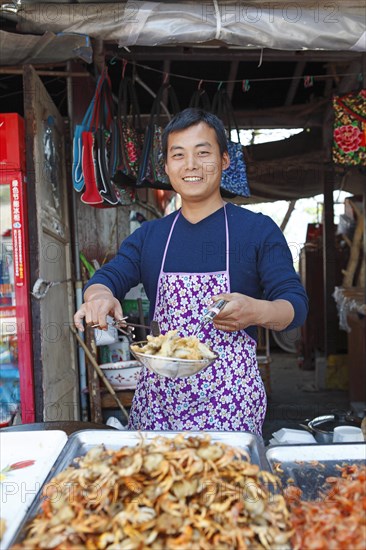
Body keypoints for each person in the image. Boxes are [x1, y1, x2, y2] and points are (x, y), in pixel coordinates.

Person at [74, 108, 308, 435]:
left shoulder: (257, 231)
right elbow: (107, 278)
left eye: (203, 153)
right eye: (179, 155)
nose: (191, 165)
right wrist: (98, 298)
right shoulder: (150, 236)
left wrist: (256, 310)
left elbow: (294, 306)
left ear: (225, 160)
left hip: (231, 399)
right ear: (166, 166)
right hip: (159, 402)